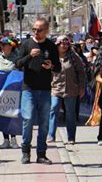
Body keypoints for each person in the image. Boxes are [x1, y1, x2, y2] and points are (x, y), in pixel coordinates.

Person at [15, 18, 61, 165]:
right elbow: (17, 63)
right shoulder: (26, 44)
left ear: (46, 30)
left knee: (44, 123)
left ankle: (41, 154)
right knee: (28, 119)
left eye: (39, 30)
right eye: (34, 29)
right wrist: (30, 56)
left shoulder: (51, 46)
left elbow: (58, 67)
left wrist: (51, 66)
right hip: (28, 88)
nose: (36, 32)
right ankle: (25, 152)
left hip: (45, 89)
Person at [48, 35, 86, 145]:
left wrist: (82, 87)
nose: (64, 46)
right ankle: (51, 135)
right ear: (57, 45)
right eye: (62, 44)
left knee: (70, 113)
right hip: (55, 88)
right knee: (53, 109)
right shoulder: (52, 57)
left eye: (66, 44)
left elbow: (81, 73)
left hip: (71, 89)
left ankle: (71, 137)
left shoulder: (74, 57)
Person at [0, 37, 20, 149]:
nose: (3, 47)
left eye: (5, 44)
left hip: (13, 91)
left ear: (11, 46)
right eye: (1, 45)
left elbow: (21, 72)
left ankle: (14, 138)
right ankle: (5, 139)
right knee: (2, 116)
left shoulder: (17, 58)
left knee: (12, 115)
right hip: (0, 91)